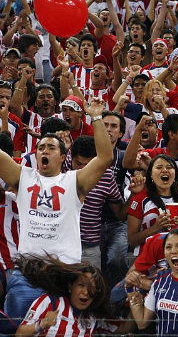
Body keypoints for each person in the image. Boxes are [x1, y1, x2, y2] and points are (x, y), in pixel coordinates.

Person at [1, 97, 112, 321]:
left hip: (66, 274)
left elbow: (105, 158)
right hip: (28, 273)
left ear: (63, 157)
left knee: (63, 332)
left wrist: (97, 117)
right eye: (41, 147)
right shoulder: (23, 177)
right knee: (19, 330)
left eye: (51, 147)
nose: (44, 151)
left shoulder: (75, 181)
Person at [14, 256, 136, 337]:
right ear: (70, 286)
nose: (86, 292)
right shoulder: (50, 302)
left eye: (91, 288)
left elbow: (124, 328)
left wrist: (136, 302)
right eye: (81, 285)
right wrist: (41, 325)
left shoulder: (93, 316)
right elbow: (19, 334)